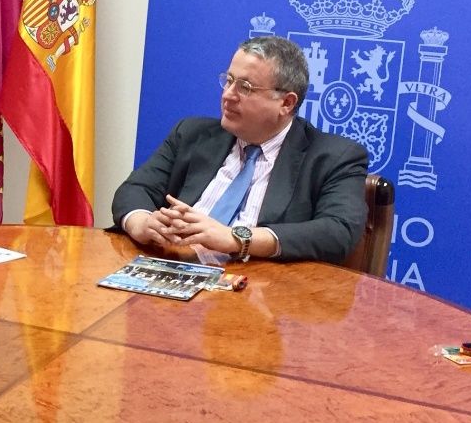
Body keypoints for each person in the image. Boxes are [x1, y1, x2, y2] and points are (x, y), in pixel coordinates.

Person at [111, 36, 368, 265]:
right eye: (229, 81)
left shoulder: (334, 157)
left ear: (287, 103)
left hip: (258, 298)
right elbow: (135, 189)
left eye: (245, 87)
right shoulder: (191, 134)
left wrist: (237, 238)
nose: (228, 95)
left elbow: (338, 231)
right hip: (173, 272)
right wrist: (143, 223)